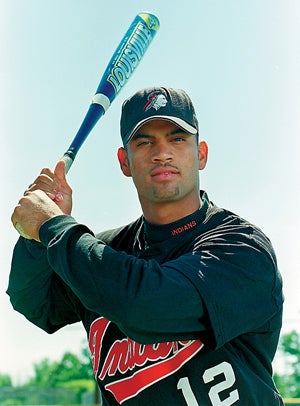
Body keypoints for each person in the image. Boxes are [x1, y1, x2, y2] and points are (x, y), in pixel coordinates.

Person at [8, 87, 284, 405]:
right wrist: (36, 238)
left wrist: (52, 227)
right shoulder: (102, 252)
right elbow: (36, 303)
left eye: (177, 138)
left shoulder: (241, 248)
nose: (161, 152)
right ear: (124, 162)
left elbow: (148, 305)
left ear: (202, 154)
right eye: (145, 141)